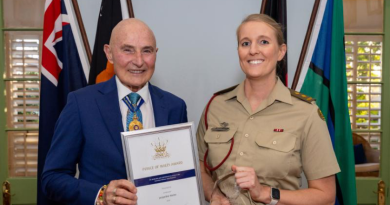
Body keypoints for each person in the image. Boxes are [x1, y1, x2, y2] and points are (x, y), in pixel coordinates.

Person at [196, 14, 340, 205]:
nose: (253, 50)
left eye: (263, 42)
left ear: (281, 52)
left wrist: (266, 193)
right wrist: (214, 195)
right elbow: (199, 167)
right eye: (245, 43)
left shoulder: (306, 113)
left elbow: (326, 196)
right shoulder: (216, 106)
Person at [42, 18, 188, 205]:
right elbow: (52, 178)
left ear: (156, 53)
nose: (139, 61)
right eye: (127, 50)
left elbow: (179, 175)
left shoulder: (175, 107)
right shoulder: (81, 104)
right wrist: (100, 194)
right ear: (109, 54)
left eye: (147, 51)